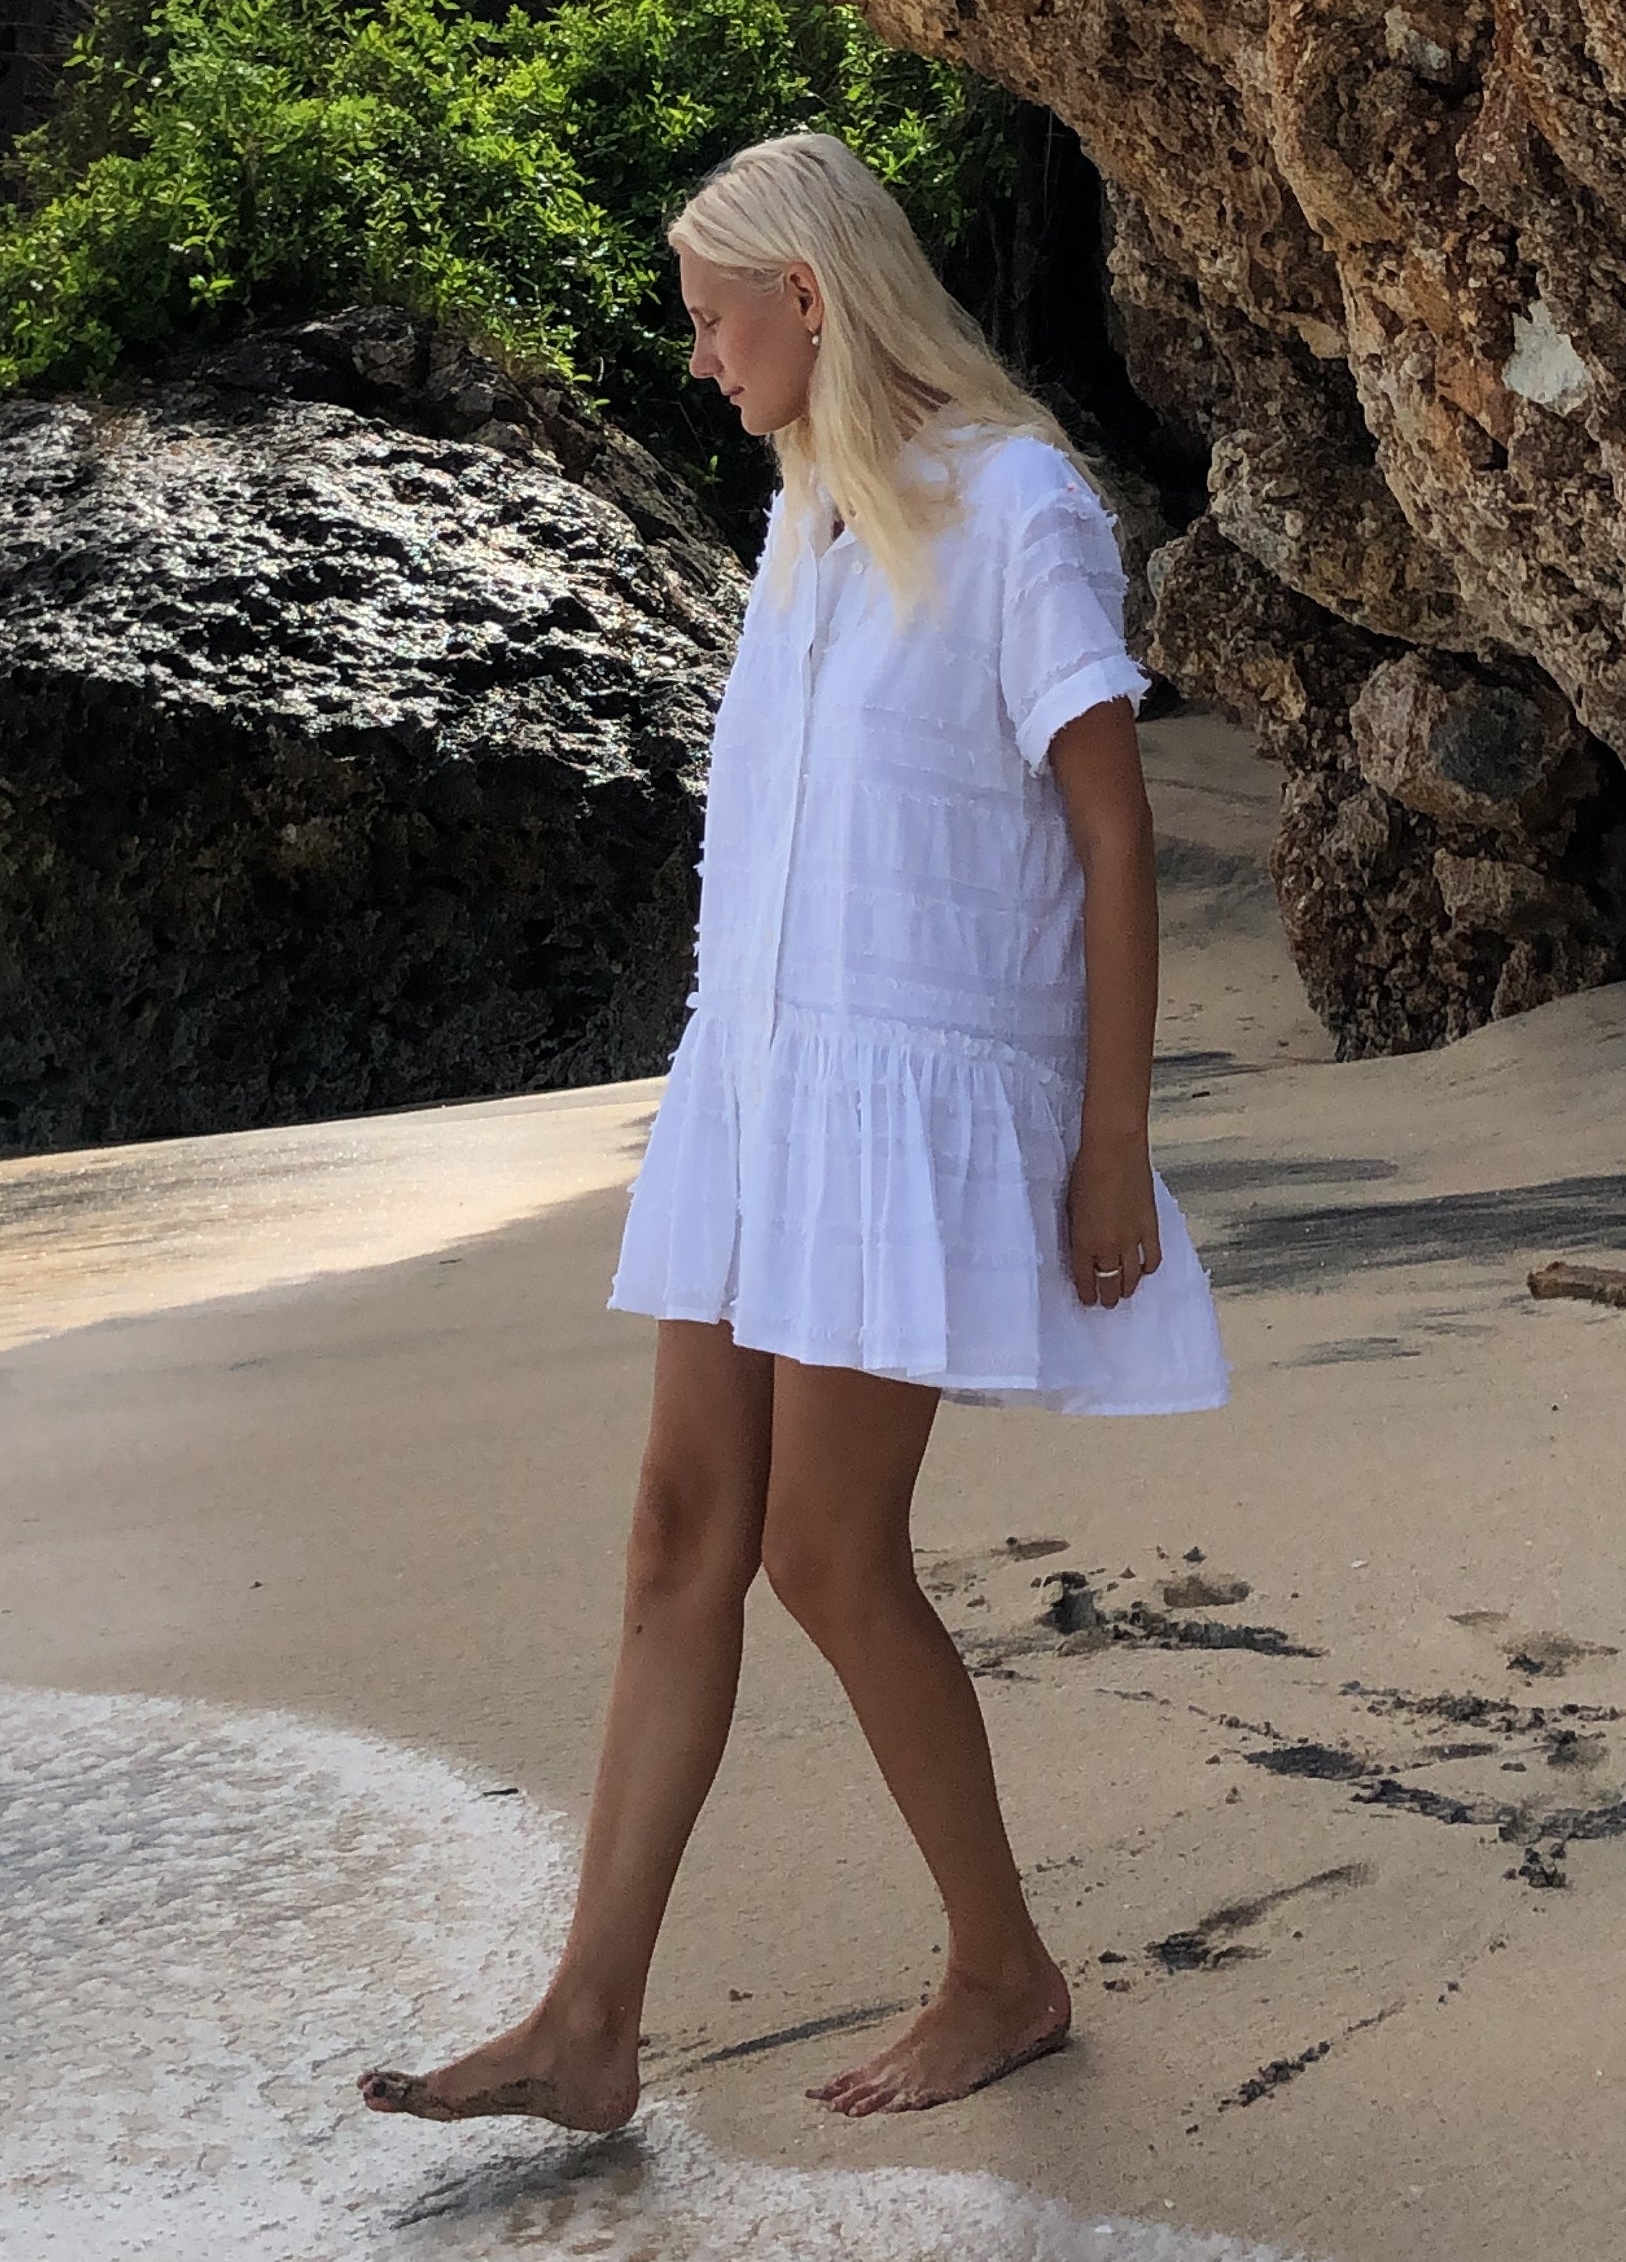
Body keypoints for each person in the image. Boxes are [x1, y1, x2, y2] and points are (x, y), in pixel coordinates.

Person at [358, 129, 1227, 2133]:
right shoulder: (808, 520)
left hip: (906, 1100)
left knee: (831, 1554)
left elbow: (1113, 826)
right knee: (678, 1536)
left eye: (708, 312)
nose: (696, 353)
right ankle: (589, 2016)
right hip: (758, 1093)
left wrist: (1116, 1142)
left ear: (807, 298)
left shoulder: (1014, 500)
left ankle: (1004, 1968)